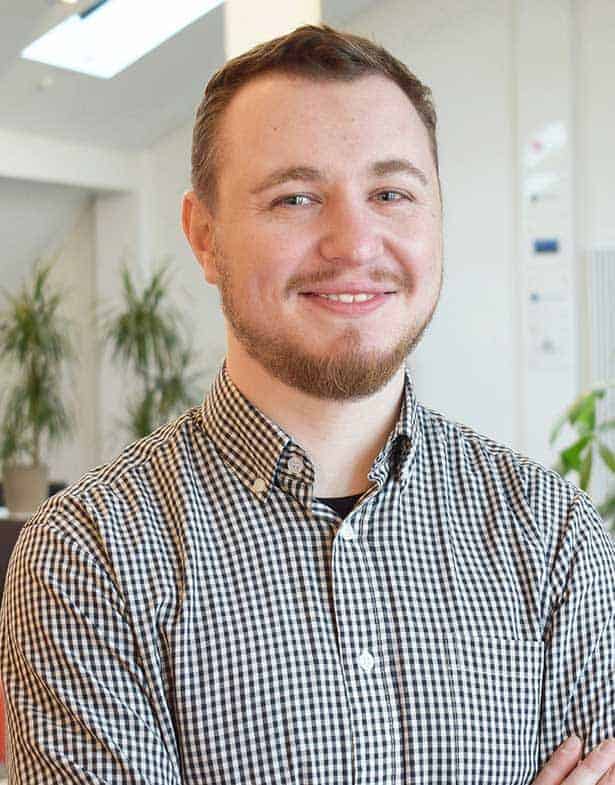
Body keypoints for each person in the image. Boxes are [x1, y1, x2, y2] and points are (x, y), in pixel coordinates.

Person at [0, 23, 613, 785]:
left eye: (390, 194)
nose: (353, 242)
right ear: (204, 236)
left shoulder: (552, 533)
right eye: (295, 197)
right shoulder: (90, 553)